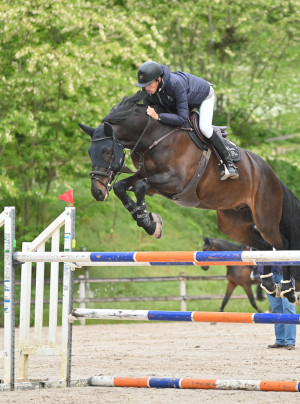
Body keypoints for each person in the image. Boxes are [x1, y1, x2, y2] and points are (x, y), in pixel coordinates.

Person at [136, 61, 239, 180]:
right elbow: (149, 114)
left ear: (158, 79)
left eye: (148, 84)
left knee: (204, 128)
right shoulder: (148, 90)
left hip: (203, 96)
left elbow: (182, 118)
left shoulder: (175, 84)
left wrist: (159, 117)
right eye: (144, 85)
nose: (146, 88)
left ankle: (228, 163)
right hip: (182, 100)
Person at [257, 263, 297, 350]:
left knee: (288, 307)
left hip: (286, 274)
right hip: (268, 275)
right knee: (276, 309)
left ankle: (290, 341)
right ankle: (280, 340)